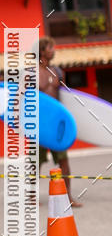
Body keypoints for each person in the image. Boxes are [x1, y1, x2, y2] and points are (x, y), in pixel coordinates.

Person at [38, 37, 82, 207]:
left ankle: (68, 197)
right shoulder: (31, 73)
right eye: (51, 47)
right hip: (39, 124)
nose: (53, 50)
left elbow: (66, 96)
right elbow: (24, 98)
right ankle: (32, 197)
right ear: (42, 51)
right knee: (35, 162)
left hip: (56, 125)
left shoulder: (58, 71)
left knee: (63, 161)